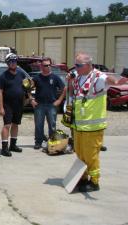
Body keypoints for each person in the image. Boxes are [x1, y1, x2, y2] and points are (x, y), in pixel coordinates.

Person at [69, 52, 128, 192]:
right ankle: (82, 177)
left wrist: (117, 81)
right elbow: (72, 94)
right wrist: (69, 81)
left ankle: (94, 182)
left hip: (92, 126)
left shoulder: (98, 77)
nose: (75, 68)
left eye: (78, 65)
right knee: (80, 153)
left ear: (88, 65)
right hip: (79, 125)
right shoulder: (78, 76)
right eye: (75, 65)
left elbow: (109, 80)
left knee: (91, 155)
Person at [31, 58, 66, 149]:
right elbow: (27, 87)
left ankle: (52, 142)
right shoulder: (37, 78)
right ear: (41, 66)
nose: (48, 67)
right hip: (39, 105)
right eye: (46, 65)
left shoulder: (55, 77)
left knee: (52, 125)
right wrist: (31, 99)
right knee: (39, 125)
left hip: (51, 105)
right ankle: (38, 142)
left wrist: (59, 100)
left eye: (49, 65)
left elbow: (64, 89)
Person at [0, 53, 27, 157]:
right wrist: (1, 107)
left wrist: (28, 98)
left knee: (15, 124)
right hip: (7, 104)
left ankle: (13, 145)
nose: (13, 63)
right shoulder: (3, 76)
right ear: (7, 63)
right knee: (7, 125)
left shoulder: (21, 74)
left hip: (18, 104)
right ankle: (4, 148)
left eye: (15, 61)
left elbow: (26, 86)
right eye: (11, 62)